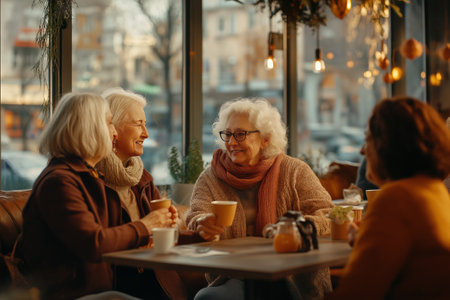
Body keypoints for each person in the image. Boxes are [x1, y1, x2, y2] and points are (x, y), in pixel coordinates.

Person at [16, 92, 174, 300]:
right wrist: (145, 226)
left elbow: (111, 236)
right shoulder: (59, 181)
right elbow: (95, 243)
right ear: (90, 129)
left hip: (98, 290)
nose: (114, 133)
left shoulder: (89, 176)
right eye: (110, 124)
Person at [185, 98, 334, 300]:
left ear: (265, 139)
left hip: (292, 278)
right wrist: (202, 223)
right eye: (227, 134)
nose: (231, 142)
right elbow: (195, 215)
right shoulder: (211, 177)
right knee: (208, 297)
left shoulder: (295, 171)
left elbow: (329, 215)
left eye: (240, 134)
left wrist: (296, 230)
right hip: (232, 275)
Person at [329, 97, 450, 299]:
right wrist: (366, 239)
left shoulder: (396, 198)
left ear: (387, 146)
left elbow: (356, 293)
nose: (362, 151)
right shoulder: (435, 191)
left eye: (367, 140)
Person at [96, 87, 178, 300]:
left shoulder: (143, 178)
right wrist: (147, 226)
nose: (146, 133)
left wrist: (169, 225)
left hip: (153, 279)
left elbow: (159, 237)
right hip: (116, 283)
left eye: (145, 123)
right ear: (111, 127)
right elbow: (97, 242)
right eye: (138, 124)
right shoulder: (91, 181)